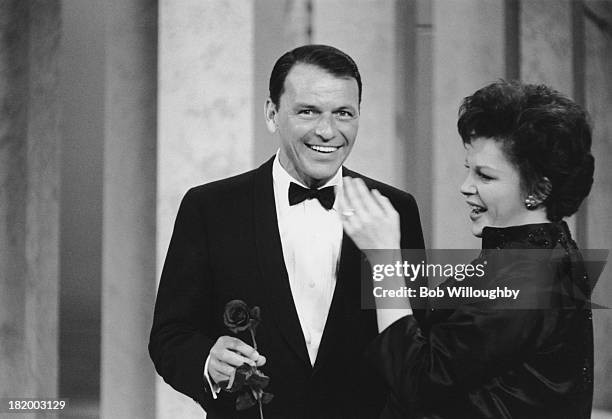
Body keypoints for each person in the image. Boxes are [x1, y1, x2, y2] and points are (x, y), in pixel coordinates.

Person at [148, 44, 425, 418]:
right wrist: (207, 361)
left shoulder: (395, 210)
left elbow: (414, 340)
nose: (327, 131)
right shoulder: (210, 208)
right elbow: (170, 336)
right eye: (308, 111)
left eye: (344, 113)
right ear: (272, 113)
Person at [340, 80, 595, 418]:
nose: (465, 187)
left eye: (485, 176)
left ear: (538, 189)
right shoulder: (534, 254)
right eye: (467, 170)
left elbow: (417, 384)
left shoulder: (528, 277)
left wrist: (384, 257)